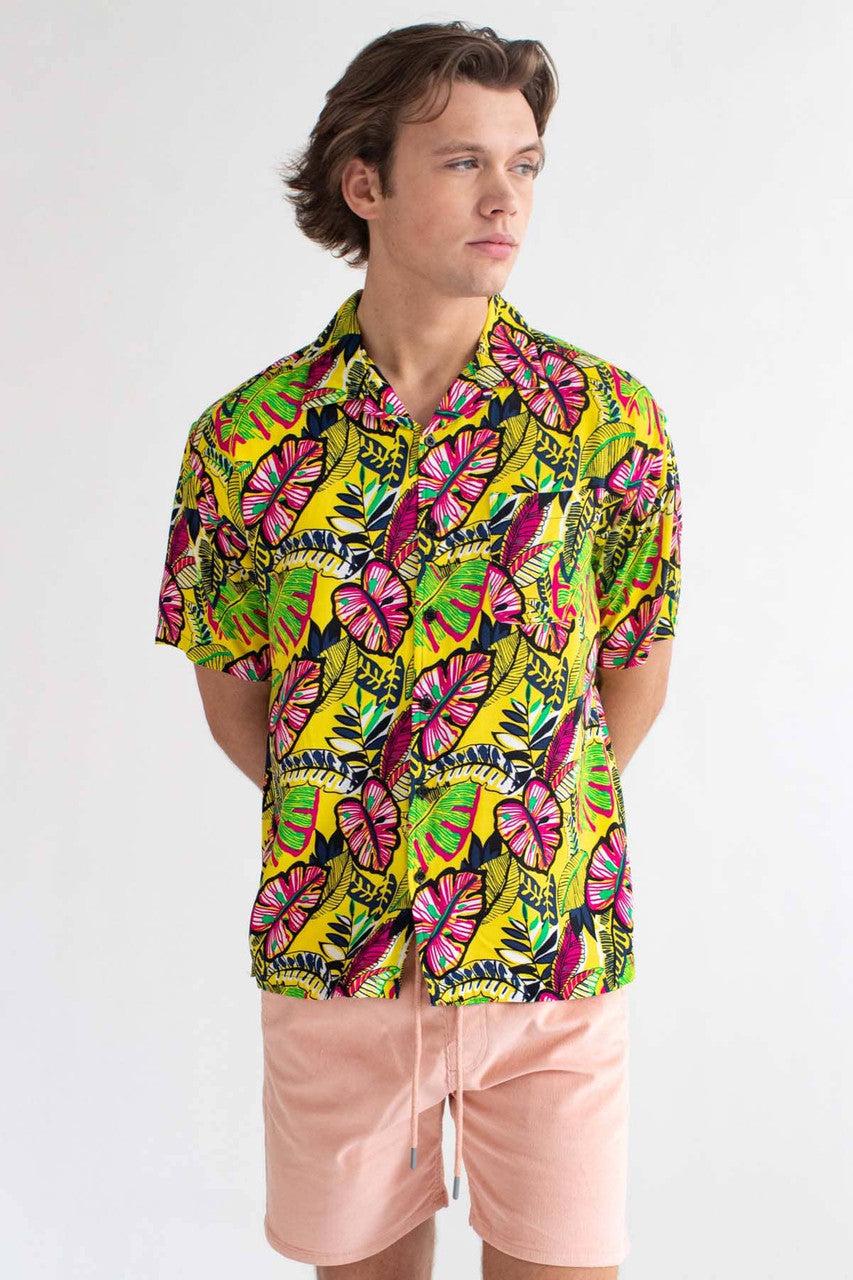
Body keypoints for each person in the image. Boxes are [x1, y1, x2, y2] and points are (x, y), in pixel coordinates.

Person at [154, 19, 683, 1280]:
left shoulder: (603, 421)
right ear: (365, 182)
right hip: (337, 951)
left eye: (524, 163)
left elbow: (634, 667)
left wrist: (511, 817)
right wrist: (362, 819)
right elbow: (235, 694)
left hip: (548, 954)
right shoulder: (246, 439)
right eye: (462, 162)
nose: (506, 197)